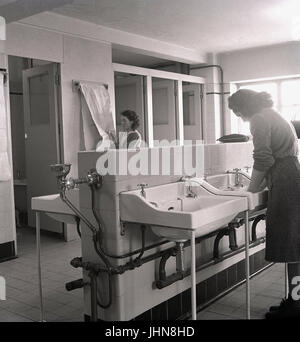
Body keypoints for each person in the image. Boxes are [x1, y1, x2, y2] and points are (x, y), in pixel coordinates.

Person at [228, 89, 300, 319]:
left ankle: (296, 306)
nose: (239, 116)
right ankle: (293, 300)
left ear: (245, 106)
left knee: (292, 244)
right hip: (291, 175)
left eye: (238, 111)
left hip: (286, 179)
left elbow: (263, 158)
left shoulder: (259, 118)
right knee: (294, 244)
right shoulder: (272, 113)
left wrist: (250, 190)